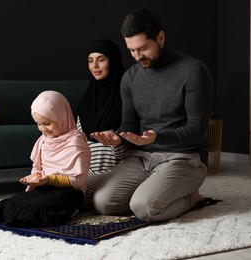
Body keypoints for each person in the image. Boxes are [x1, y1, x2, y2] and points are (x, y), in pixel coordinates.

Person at [91, 8, 214, 223]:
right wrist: (117, 137)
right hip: (141, 159)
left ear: (161, 37)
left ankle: (192, 198)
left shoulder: (193, 71)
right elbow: (128, 123)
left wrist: (157, 137)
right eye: (131, 50)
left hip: (183, 158)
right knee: (102, 203)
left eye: (143, 48)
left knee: (144, 208)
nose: (137, 57)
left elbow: (198, 130)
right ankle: (153, 188)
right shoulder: (129, 78)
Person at [0, 90, 90, 227]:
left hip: (69, 191)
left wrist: (48, 179)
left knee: (31, 214)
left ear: (62, 117)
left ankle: (71, 211)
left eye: (47, 123)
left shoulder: (76, 142)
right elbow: (38, 168)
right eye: (38, 124)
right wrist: (35, 177)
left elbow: (78, 181)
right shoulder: (43, 141)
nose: (43, 129)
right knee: (11, 206)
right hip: (45, 187)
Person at [76, 39, 127, 209]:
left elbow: (131, 150)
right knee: (62, 194)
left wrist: (115, 143)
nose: (95, 66)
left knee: (102, 203)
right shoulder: (86, 100)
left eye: (101, 59)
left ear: (113, 60)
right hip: (88, 172)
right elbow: (79, 144)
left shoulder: (127, 96)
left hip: (118, 171)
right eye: (90, 61)